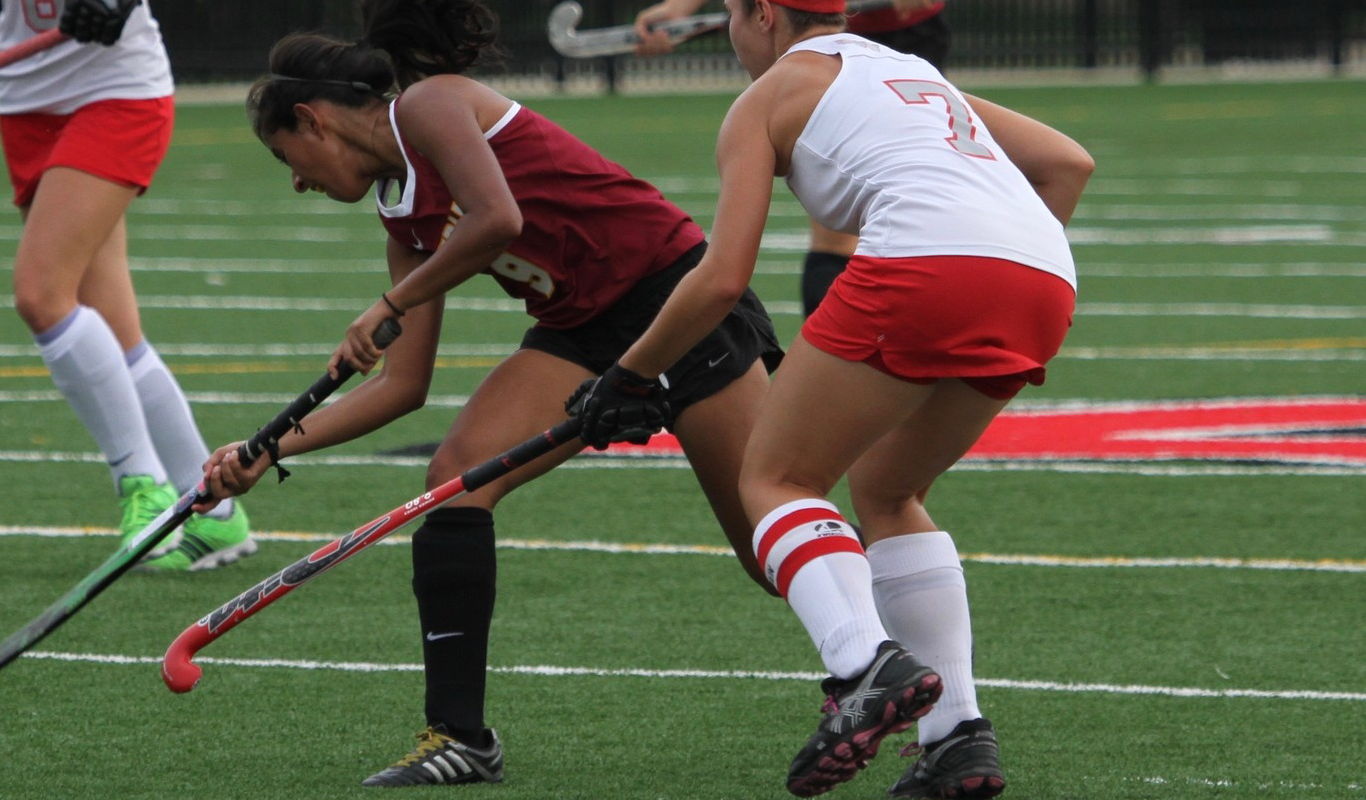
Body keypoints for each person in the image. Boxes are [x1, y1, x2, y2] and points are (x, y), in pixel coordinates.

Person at [195, 0, 783, 786]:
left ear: (313, 120)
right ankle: (461, 737)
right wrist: (265, 450)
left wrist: (389, 305)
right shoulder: (400, 216)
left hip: (676, 303)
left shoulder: (430, 105)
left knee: (770, 547)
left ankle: (899, 671)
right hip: (580, 334)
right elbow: (402, 388)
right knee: (455, 477)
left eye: (288, 158)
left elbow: (496, 219)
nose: (299, 182)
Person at [572, 0, 1093, 797]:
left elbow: (719, 279)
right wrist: (988, 268)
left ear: (763, 15)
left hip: (926, 261)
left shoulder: (766, 98)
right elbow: (1067, 163)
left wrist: (628, 374)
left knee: (774, 478)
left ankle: (862, 666)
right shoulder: (914, 71)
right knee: (888, 491)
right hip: (1041, 277)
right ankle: (955, 735)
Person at [0, 0, 254, 570]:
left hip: (116, 88)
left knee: (42, 294)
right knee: (116, 331)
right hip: (27, 94)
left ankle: (143, 488)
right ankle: (217, 514)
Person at [633, 0, 951, 318]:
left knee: (886, 227)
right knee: (841, 238)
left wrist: (632, 369)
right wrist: (681, 7)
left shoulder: (753, 112)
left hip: (895, 32)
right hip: (832, 32)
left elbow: (723, 279)